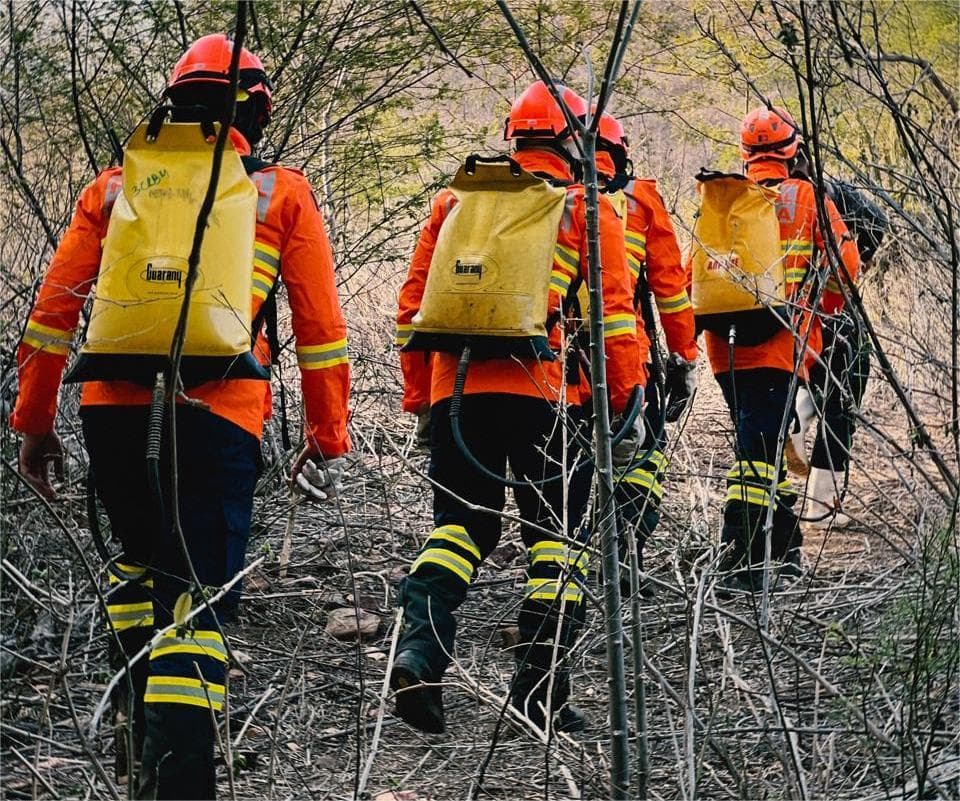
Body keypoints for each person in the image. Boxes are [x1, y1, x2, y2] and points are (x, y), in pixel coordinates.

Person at [12, 34, 351, 799]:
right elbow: (323, 330)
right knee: (196, 599)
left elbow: (52, 314)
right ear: (256, 110)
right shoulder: (280, 193)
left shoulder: (114, 188)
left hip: (113, 411)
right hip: (219, 412)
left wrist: (35, 420)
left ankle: (137, 733)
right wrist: (327, 435)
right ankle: (180, 781)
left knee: (137, 562)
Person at [392, 80, 645, 735]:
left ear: (514, 136)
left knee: (457, 531)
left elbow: (410, 307)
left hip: (458, 394)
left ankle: (419, 654)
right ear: (575, 141)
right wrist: (623, 409)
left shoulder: (456, 199)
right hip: (551, 399)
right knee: (556, 544)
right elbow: (616, 322)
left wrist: (424, 398)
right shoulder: (588, 210)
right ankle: (540, 693)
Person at [701, 106, 859, 591]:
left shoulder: (722, 195)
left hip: (722, 349)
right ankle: (742, 561)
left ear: (746, 153)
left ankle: (782, 554)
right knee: (756, 456)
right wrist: (821, 310)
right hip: (782, 346)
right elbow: (846, 268)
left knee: (764, 446)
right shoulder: (808, 196)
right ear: (792, 150)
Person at [594, 111, 698, 592]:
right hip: (629, 356)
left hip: (545, 363)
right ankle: (626, 551)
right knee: (645, 454)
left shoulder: (534, 194)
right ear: (622, 152)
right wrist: (685, 356)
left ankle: (574, 556)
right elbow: (671, 290)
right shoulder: (639, 199)